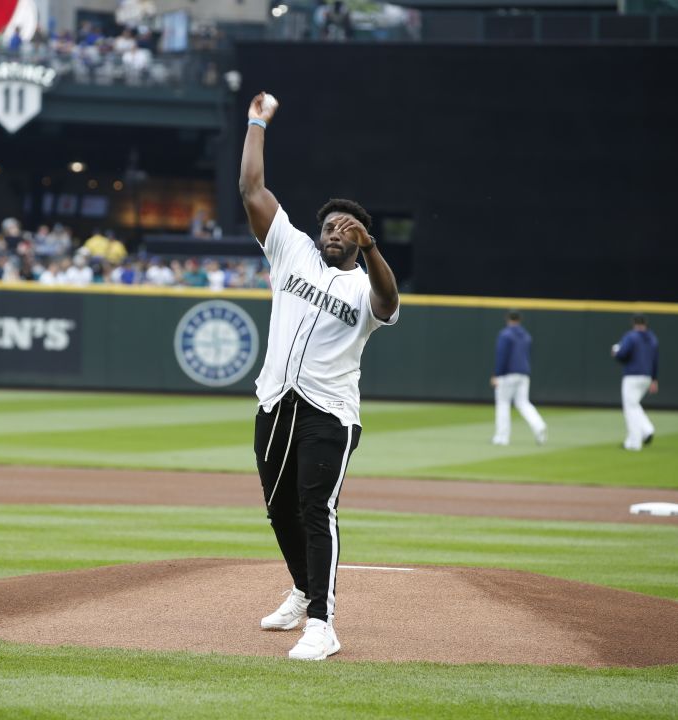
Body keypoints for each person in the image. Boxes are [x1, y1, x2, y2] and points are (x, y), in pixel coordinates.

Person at [240, 92, 399, 661]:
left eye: (348, 227)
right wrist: (257, 122)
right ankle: (303, 588)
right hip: (275, 400)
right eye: (331, 224)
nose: (337, 230)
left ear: (360, 240)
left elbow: (389, 297)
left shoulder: (365, 284)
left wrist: (372, 245)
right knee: (277, 506)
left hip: (329, 411)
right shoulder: (293, 254)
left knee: (315, 507)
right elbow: (253, 191)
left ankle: (322, 623)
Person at [490, 310, 547, 446]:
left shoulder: (505, 335)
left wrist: (497, 374)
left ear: (507, 319)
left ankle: (501, 437)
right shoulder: (526, 335)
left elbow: (501, 356)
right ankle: (539, 425)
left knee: (503, 403)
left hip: (508, 374)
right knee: (523, 403)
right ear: (520, 320)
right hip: (523, 373)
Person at [612, 314, 660, 451]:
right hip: (647, 377)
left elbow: (622, 354)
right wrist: (654, 379)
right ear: (646, 323)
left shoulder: (631, 336)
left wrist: (615, 352)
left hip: (632, 376)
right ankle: (647, 429)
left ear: (634, 323)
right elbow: (655, 360)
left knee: (630, 408)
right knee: (634, 405)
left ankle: (634, 442)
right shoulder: (653, 338)